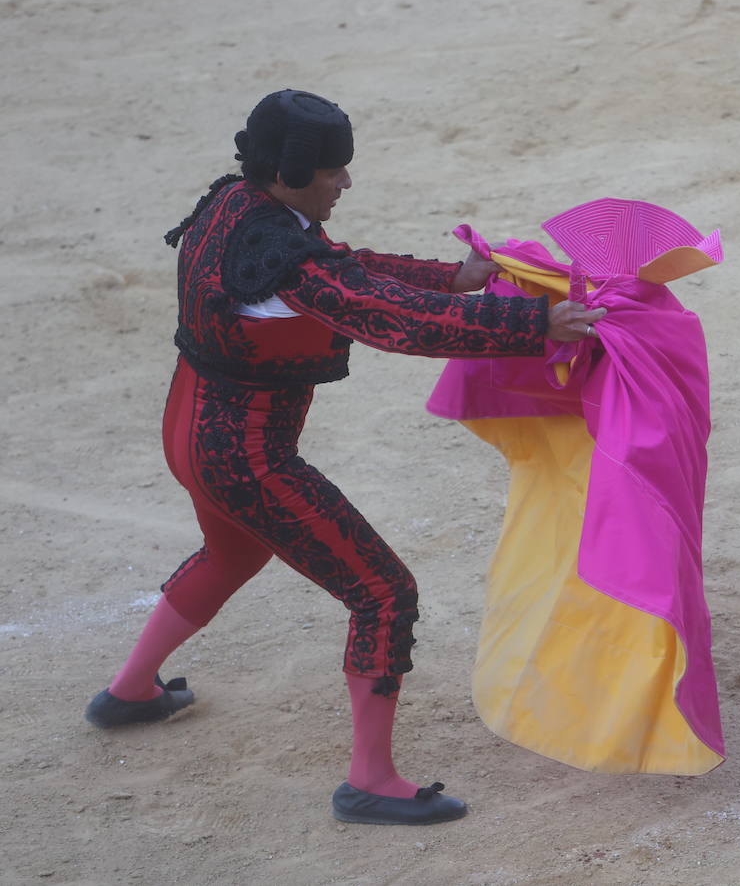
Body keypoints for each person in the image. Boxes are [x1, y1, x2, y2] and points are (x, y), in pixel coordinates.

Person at [83, 89, 605, 826]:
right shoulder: (285, 258)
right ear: (293, 172)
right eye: (334, 171)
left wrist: (448, 278)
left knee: (231, 557)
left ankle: (130, 692)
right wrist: (533, 322)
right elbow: (386, 318)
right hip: (243, 454)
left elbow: (348, 268)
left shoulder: (234, 205)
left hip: (188, 433)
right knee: (383, 593)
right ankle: (370, 781)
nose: (345, 183)